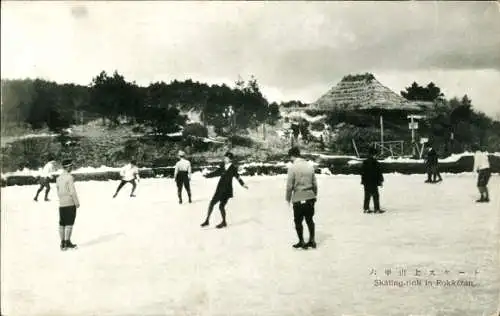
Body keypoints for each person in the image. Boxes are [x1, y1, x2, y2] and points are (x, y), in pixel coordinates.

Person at [201, 152, 248, 229]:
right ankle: (207, 221)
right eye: (225, 158)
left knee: (221, 206)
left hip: (227, 190)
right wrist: (207, 176)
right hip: (219, 189)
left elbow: (238, 177)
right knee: (212, 203)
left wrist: (243, 184)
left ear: (230, 159)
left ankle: (224, 222)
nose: (224, 159)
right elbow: (216, 173)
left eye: (226, 158)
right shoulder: (222, 166)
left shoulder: (233, 168)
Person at [285, 146, 318, 249]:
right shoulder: (309, 166)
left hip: (298, 197)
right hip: (310, 197)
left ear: (292, 156)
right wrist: (314, 195)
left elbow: (289, 186)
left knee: (298, 221)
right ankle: (312, 240)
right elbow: (315, 183)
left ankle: (301, 241)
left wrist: (288, 199)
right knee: (309, 219)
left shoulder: (292, 168)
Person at [56, 159, 80, 250]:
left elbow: (58, 190)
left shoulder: (58, 178)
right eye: (71, 166)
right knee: (69, 223)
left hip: (61, 203)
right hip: (70, 202)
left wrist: (61, 199)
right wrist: (76, 202)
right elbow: (72, 191)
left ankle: (62, 243)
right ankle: (67, 242)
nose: (72, 168)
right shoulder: (70, 177)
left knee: (62, 223)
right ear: (68, 167)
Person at [361, 147, 384, 214]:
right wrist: (380, 181)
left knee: (367, 195)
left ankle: (366, 209)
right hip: (373, 182)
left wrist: (363, 181)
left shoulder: (365, 162)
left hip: (366, 182)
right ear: (374, 154)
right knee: (375, 195)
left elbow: (362, 172)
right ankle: (376, 209)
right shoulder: (375, 163)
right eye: (375, 154)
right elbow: (378, 173)